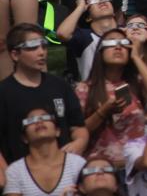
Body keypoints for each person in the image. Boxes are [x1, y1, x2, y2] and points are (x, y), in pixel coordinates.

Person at [0, 24, 87, 175]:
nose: (41, 52)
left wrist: (80, 142)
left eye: (44, 46)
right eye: (33, 47)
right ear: (15, 54)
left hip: (63, 174)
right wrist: (8, 175)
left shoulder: (60, 86)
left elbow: (78, 126)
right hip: (21, 176)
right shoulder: (4, 93)